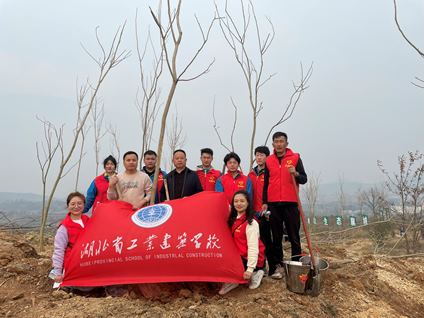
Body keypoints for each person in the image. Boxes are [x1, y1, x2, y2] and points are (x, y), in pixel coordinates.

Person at [262, 132, 307, 279]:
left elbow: (304, 179)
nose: (279, 144)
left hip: (291, 203)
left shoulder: (295, 158)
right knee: (276, 237)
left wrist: (296, 174)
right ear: (273, 144)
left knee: (294, 235)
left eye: (282, 141)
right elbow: (266, 183)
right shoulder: (269, 161)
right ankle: (278, 265)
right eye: (276, 141)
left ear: (286, 143)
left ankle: (296, 264)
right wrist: (264, 202)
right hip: (274, 204)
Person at [219, 190, 265, 295]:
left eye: (242, 201)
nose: (238, 204)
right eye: (236, 201)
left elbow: (253, 247)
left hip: (248, 257)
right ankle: (235, 277)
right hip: (237, 256)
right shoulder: (232, 219)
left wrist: (249, 269)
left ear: (248, 203)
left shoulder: (251, 223)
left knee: (239, 271)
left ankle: (256, 272)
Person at [50, 192, 89, 283]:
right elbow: (59, 250)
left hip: (88, 261)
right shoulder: (64, 227)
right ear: (68, 206)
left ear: (84, 205)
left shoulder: (88, 220)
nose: (76, 206)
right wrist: (58, 272)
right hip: (73, 263)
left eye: (79, 203)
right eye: (73, 204)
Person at [248, 146, 274, 275]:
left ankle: (273, 266)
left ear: (267, 157)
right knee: (256, 241)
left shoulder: (270, 172)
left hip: (266, 212)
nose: (259, 158)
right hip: (254, 213)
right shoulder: (251, 174)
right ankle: (260, 266)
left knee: (267, 239)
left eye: (262, 155)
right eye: (257, 155)